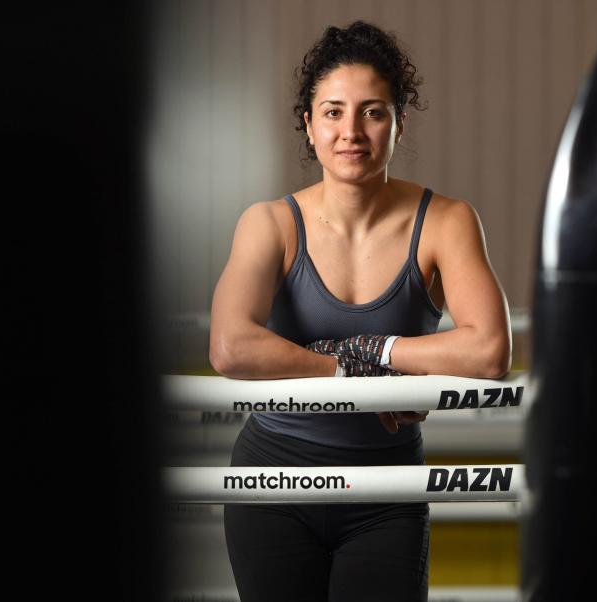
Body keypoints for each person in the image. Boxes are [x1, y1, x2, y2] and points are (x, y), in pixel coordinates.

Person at [209, 20, 511, 602]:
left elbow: (488, 349)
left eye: (372, 112)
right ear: (308, 123)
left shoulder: (446, 221)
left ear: (399, 122)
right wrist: (351, 372)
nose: (351, 132)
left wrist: (375, 350)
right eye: (332, 112)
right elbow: (230, 346)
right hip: (273, 480)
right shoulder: (269, 223)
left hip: (384, 494)